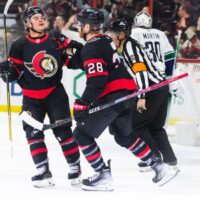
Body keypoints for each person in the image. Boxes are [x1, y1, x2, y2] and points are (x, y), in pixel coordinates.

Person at [72, 8, 178, 191]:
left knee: (81, 134)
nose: (78, 27)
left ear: (88, 26)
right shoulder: (105, 40)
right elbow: (92, 61)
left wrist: (82, 103)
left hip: (112, 96)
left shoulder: (92, 46)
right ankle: (158, 166)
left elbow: (97, 80)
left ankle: (103, 175)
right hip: (128, 94)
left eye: (80, 24)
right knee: (124, 136)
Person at [0, 6, 82, 188]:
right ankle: (42, 170)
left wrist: (77, 51)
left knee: (63, 132)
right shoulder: (19, 45)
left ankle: (75, 166)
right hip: (30, 99)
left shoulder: (55, 39)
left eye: (42, 16)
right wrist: (5, 71)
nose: (40, 19)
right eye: (35, 18)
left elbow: (73, 63)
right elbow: (14, 74)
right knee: (33, 134)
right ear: (28, 24)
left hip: (55, 94)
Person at [107, 16, 179, 174]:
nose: (110, 36)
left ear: (121, 35)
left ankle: (155, 159)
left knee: (137, 125)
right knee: (155, 127)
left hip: (151, 89)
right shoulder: (129, 44)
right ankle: (170, 161)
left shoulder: (129, 47)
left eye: (113, 33)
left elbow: (141, 72)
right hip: (161, 87)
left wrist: (142, 96)